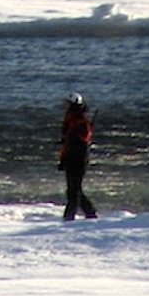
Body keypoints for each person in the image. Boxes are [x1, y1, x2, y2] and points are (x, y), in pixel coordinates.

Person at [58, 91, 97, 221]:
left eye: (68, 104)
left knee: (73, 191)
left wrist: (71, 152)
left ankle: (69, 218)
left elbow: (82, 141)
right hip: (70, 158)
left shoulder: (80, 122)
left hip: (78, 160)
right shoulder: (71, 119)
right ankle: (90, 213)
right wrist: (63, 159)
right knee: (74, 190)